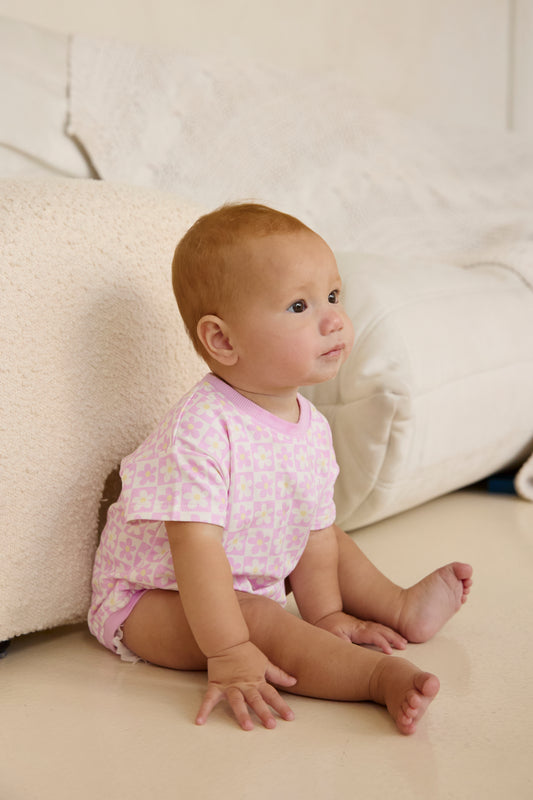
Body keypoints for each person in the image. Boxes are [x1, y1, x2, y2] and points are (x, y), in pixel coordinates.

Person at [88, 203, 473, 735]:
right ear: (223, 340)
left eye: (334, 297)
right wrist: (228, 650)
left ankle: (398, 604)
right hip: (152, 600)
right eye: (300, 306)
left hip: (245, 567)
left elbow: (311, 535)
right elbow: (195, 551)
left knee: (328, 534)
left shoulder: (309, 425)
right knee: (258, 621)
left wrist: (326, 615)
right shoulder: (200, 430)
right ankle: (374, 679)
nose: (334, 318)